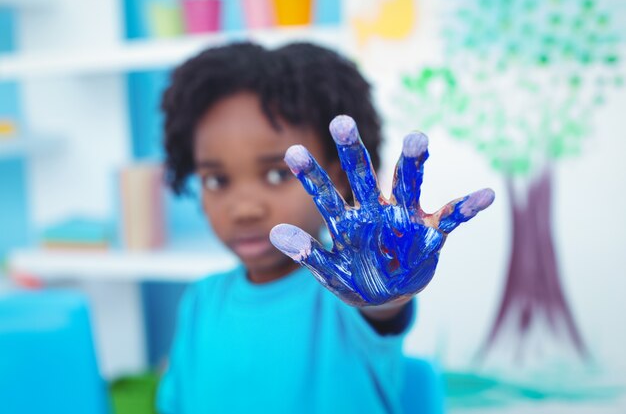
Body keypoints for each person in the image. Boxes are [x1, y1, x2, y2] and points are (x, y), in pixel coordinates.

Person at [157, 41, 493, 414]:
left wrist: (387, 289)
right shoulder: (200, 301)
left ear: (336, 175)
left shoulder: (347, 296)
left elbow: (380, 310)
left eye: (276, 174)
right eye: (217, 180)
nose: (244, 208)